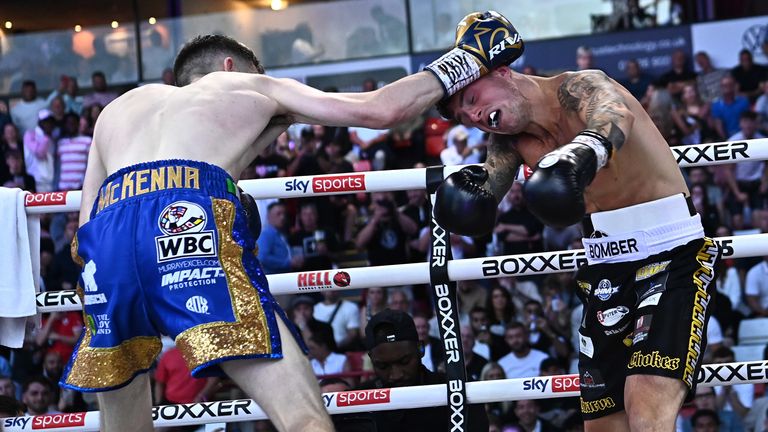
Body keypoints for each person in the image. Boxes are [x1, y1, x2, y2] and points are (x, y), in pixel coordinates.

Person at [63, 16, 523, 430]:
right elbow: (380, 111)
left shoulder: (117, 110)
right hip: (185, 225)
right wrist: (470, 58)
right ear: (229, 67)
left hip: (106, 249)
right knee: (304, 419)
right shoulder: (249, 88)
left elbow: (82, 237)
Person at [434, 28, 719, 431]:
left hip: (670, 251)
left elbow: (614, 113)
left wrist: (581, 154)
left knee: (647, 398)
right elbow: (490, 181)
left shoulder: (577, 86)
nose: (475, 117)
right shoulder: (510, 139)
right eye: (466, 117)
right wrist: (471, 197)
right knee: (603, 424)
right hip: (604, 269)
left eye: (472, 100)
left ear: (500, 71)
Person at [358, 309, 489, 431]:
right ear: (371, 359)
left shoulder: (457, 389)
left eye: (404, 362)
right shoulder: (356, 401)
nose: (396, 375)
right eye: (383, 366)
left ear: (420, 349)